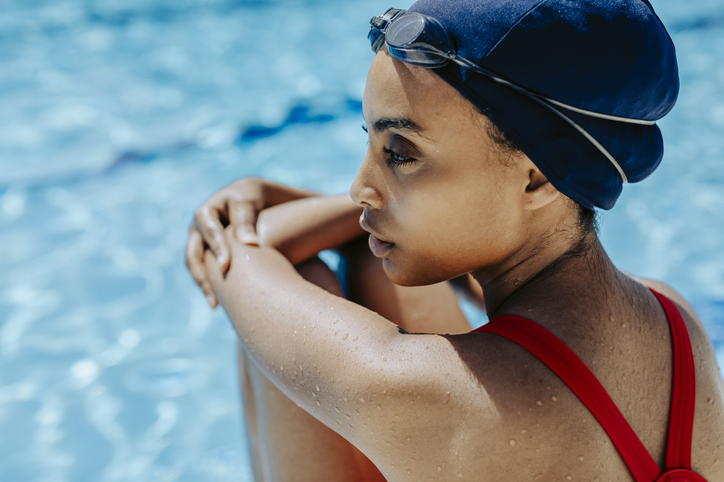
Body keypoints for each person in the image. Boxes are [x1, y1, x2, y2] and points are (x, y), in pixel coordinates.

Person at [186, 1, 724, 480]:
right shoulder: (676, 319)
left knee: (304, 279)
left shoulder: (434, 394)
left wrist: (259, 201)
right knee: (373, 255)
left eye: (400, 154)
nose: (358, 189)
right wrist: (360, 212)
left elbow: (237, 247)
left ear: (537, 177)